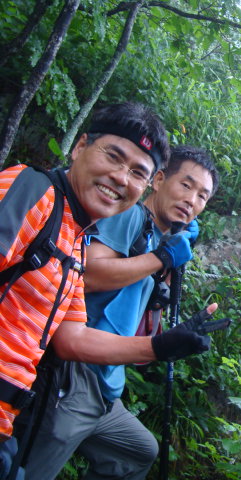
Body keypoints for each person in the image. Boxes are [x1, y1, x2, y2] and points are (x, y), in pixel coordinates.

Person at [0, 103, 216, 477]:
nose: (120, 178)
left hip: (40, 401)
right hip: (73, 382)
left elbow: (73, 335)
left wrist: (161, 345)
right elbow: (95, 280)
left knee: (137, 451)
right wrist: (161, 258)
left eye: (203, 196)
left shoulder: (77, 237)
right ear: (80, 147)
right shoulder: (37, 192)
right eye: (113, 157)